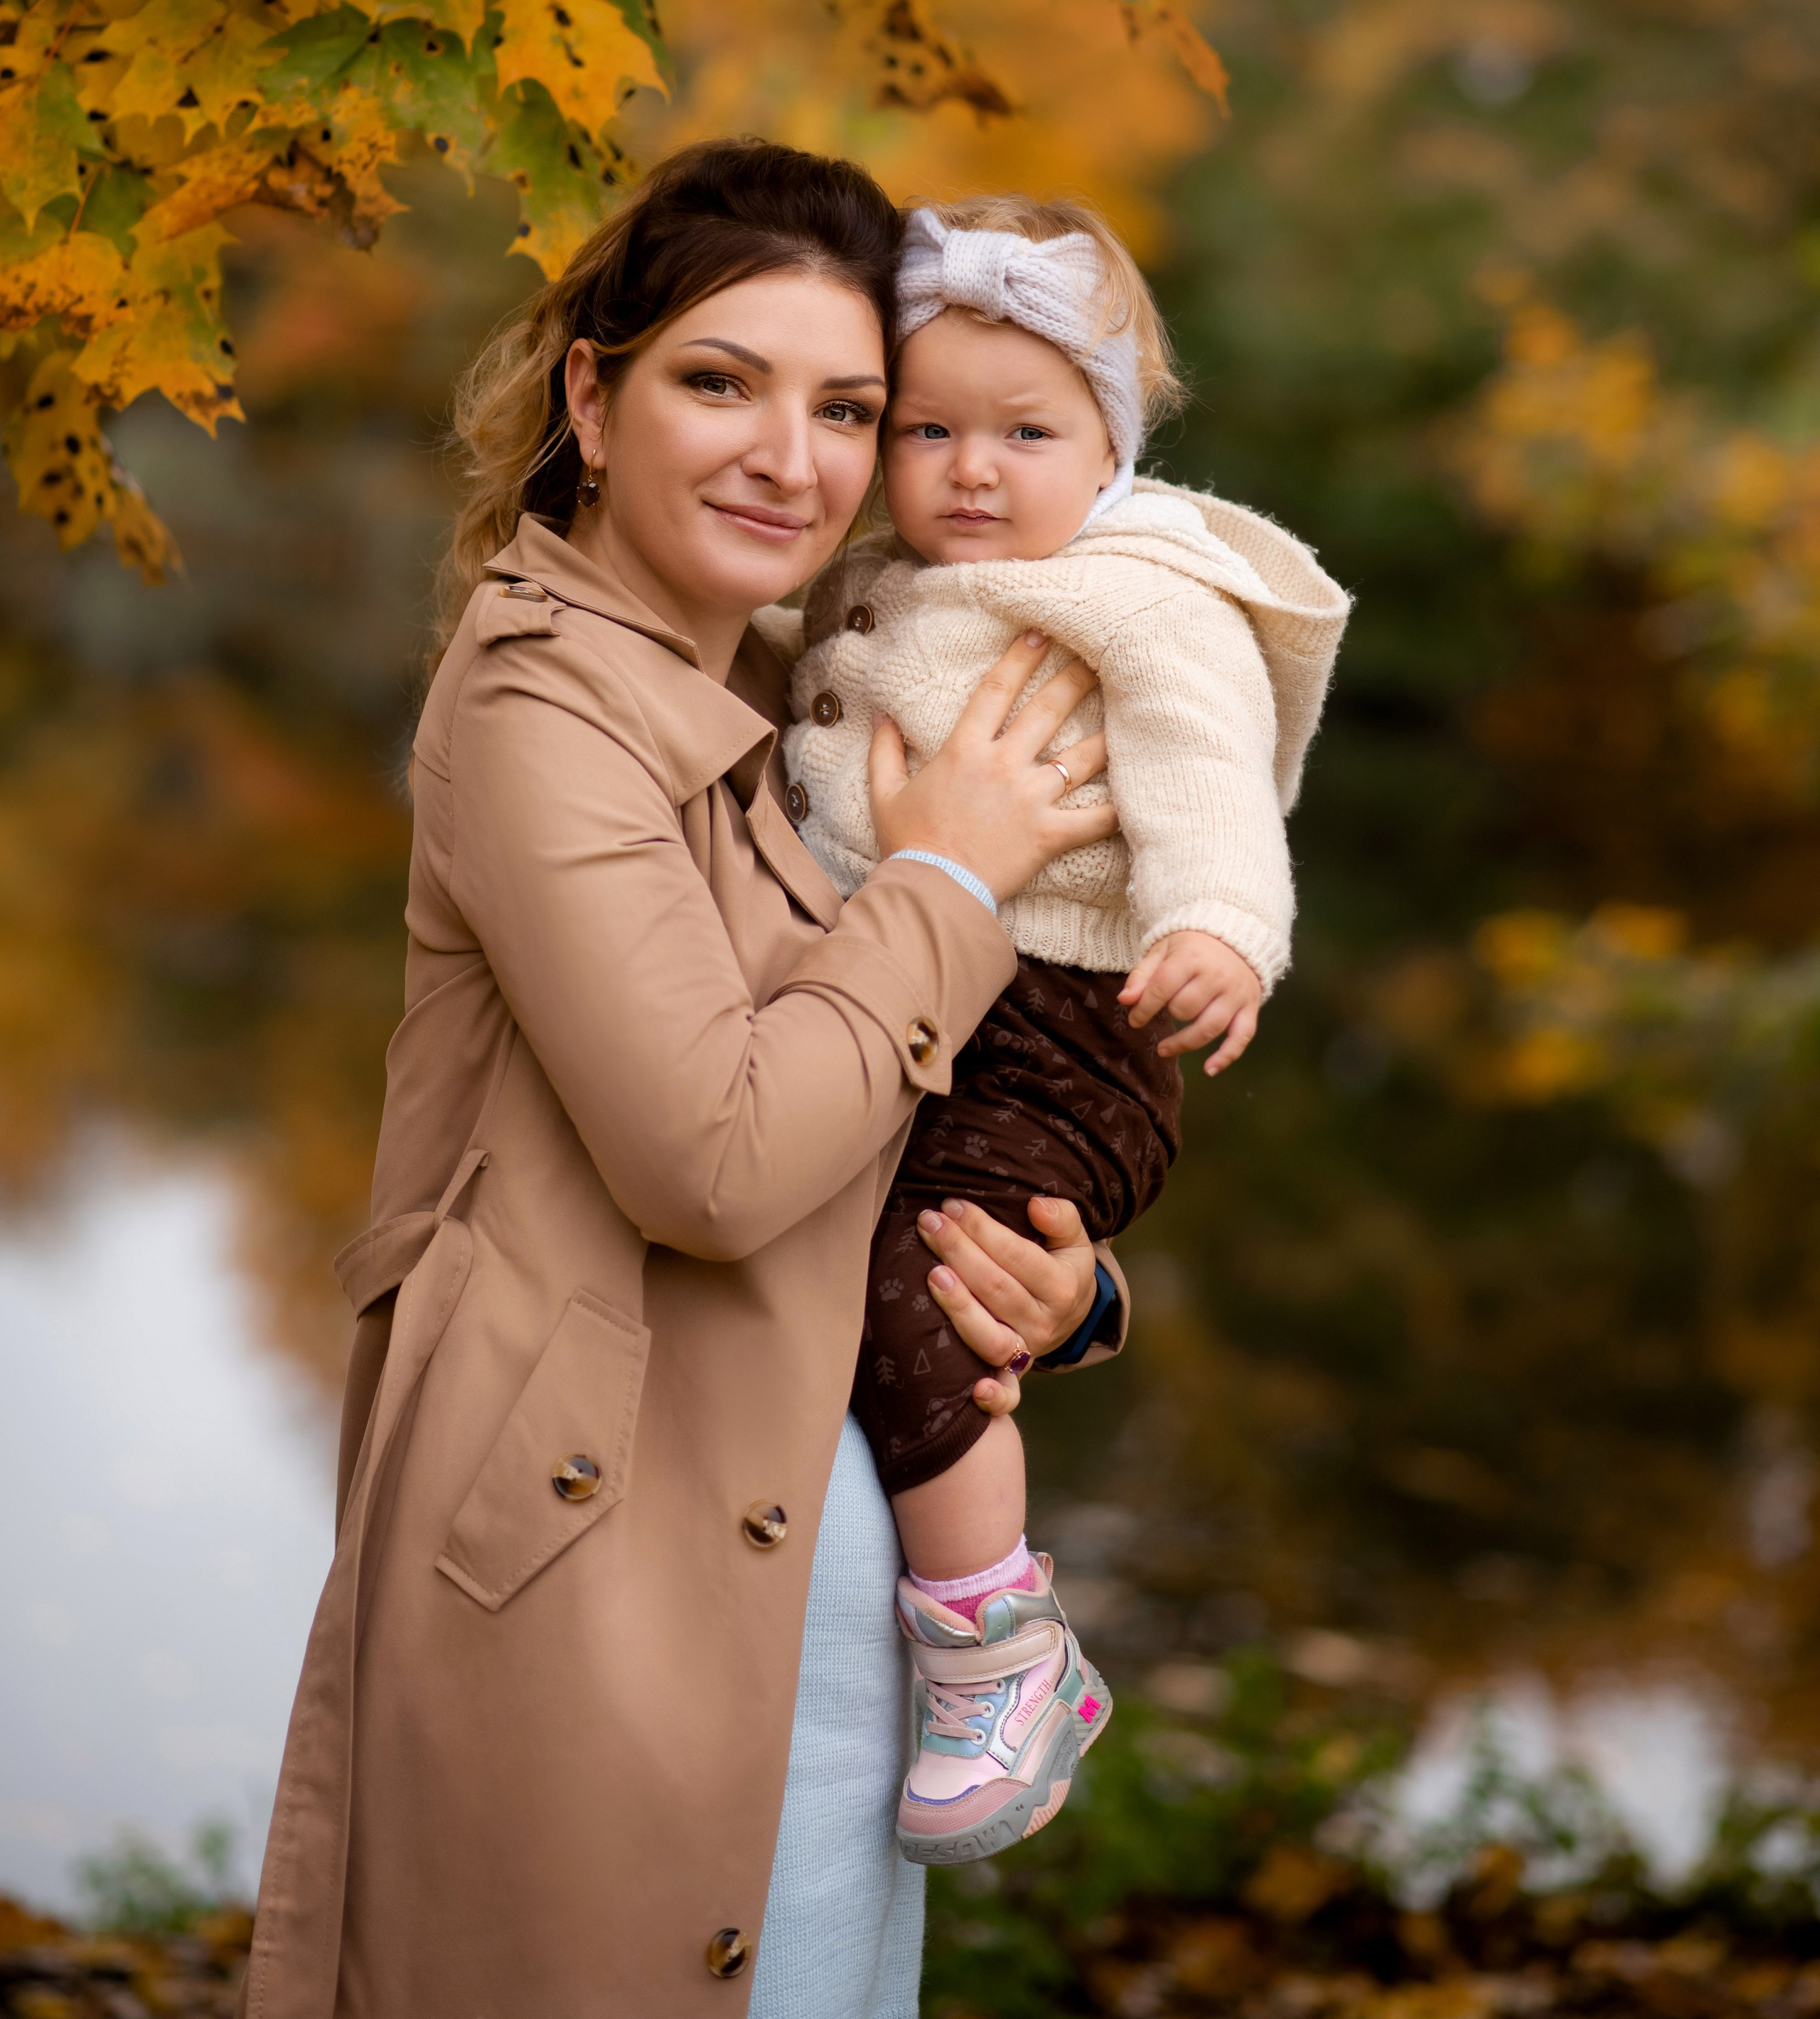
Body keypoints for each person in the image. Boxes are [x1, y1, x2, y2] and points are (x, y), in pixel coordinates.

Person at [238, 142, 1126, 2019]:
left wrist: (1063, 1282)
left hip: (823, 1575)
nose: (788, 457)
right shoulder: (540, 703)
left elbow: (896, 1106)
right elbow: (714, 1155)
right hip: (605, 1592)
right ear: (592, 393)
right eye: (722, 381)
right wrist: (950, 879)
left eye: (846, 409)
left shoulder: (810, 692)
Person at [780, 196, 1351, 1866]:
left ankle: (993, 1643)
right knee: (872, 1251)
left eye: (1023, 433)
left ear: (1109, 443)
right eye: (927, 430)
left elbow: (1201, 770)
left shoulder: (1140, 595)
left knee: (921, 1274)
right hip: (918, 989)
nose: (970, 469)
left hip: (1061, 1025)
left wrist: (1217, 928)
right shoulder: (882, 581)